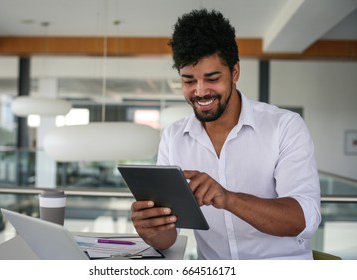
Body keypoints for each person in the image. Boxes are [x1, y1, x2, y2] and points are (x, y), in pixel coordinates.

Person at [130, 9, 321, 259]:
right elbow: (168, 239)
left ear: (235, 72)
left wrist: (228, 198)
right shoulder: (173, 137)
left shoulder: (285, 126)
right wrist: (150, 228)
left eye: (212, 78)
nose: (200, 91)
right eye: (189, 81)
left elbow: (303, 219)